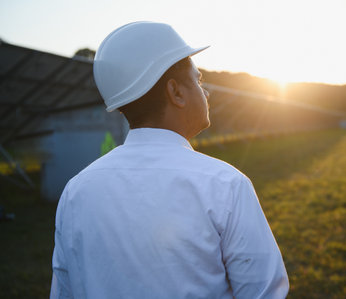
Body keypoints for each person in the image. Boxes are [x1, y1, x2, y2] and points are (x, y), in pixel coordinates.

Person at [51, 21, 289, 299]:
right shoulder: (225, 184)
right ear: (176, 92)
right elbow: (263, 293)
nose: (207, 92)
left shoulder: (76, 191)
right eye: (199, 81)